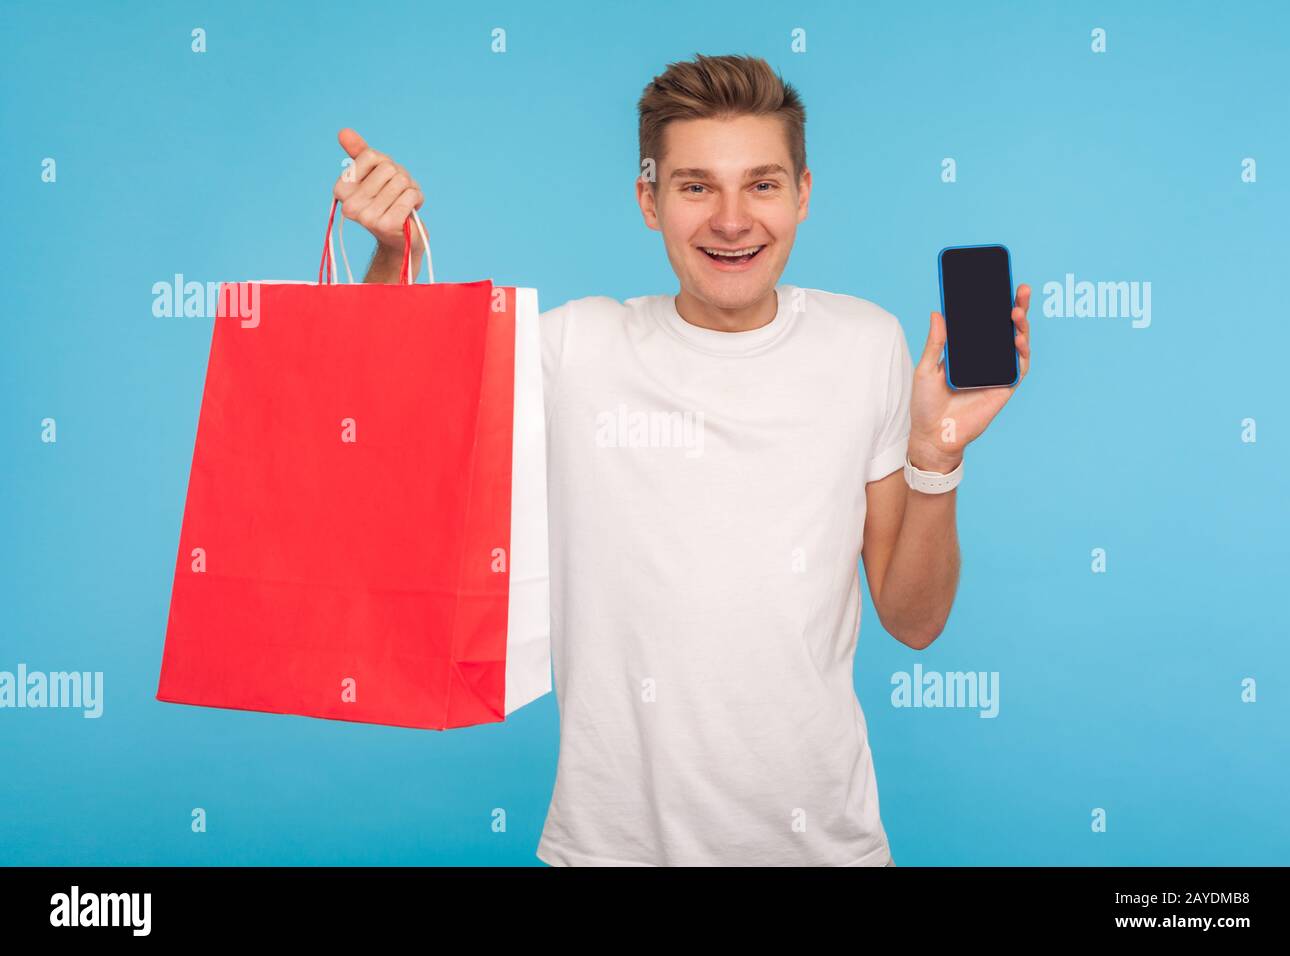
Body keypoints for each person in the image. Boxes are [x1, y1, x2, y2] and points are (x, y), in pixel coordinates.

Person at [331, 53, 1031, 866]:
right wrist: (389, 254)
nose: (732, 220)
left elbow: (914, 622)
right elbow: (382, 427)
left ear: (803, 195)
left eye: (762, 184)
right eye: (696, 187)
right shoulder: (573, 348)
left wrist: (936, 451)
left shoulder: (865, 343)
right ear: (649, 200)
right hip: (610, 850)